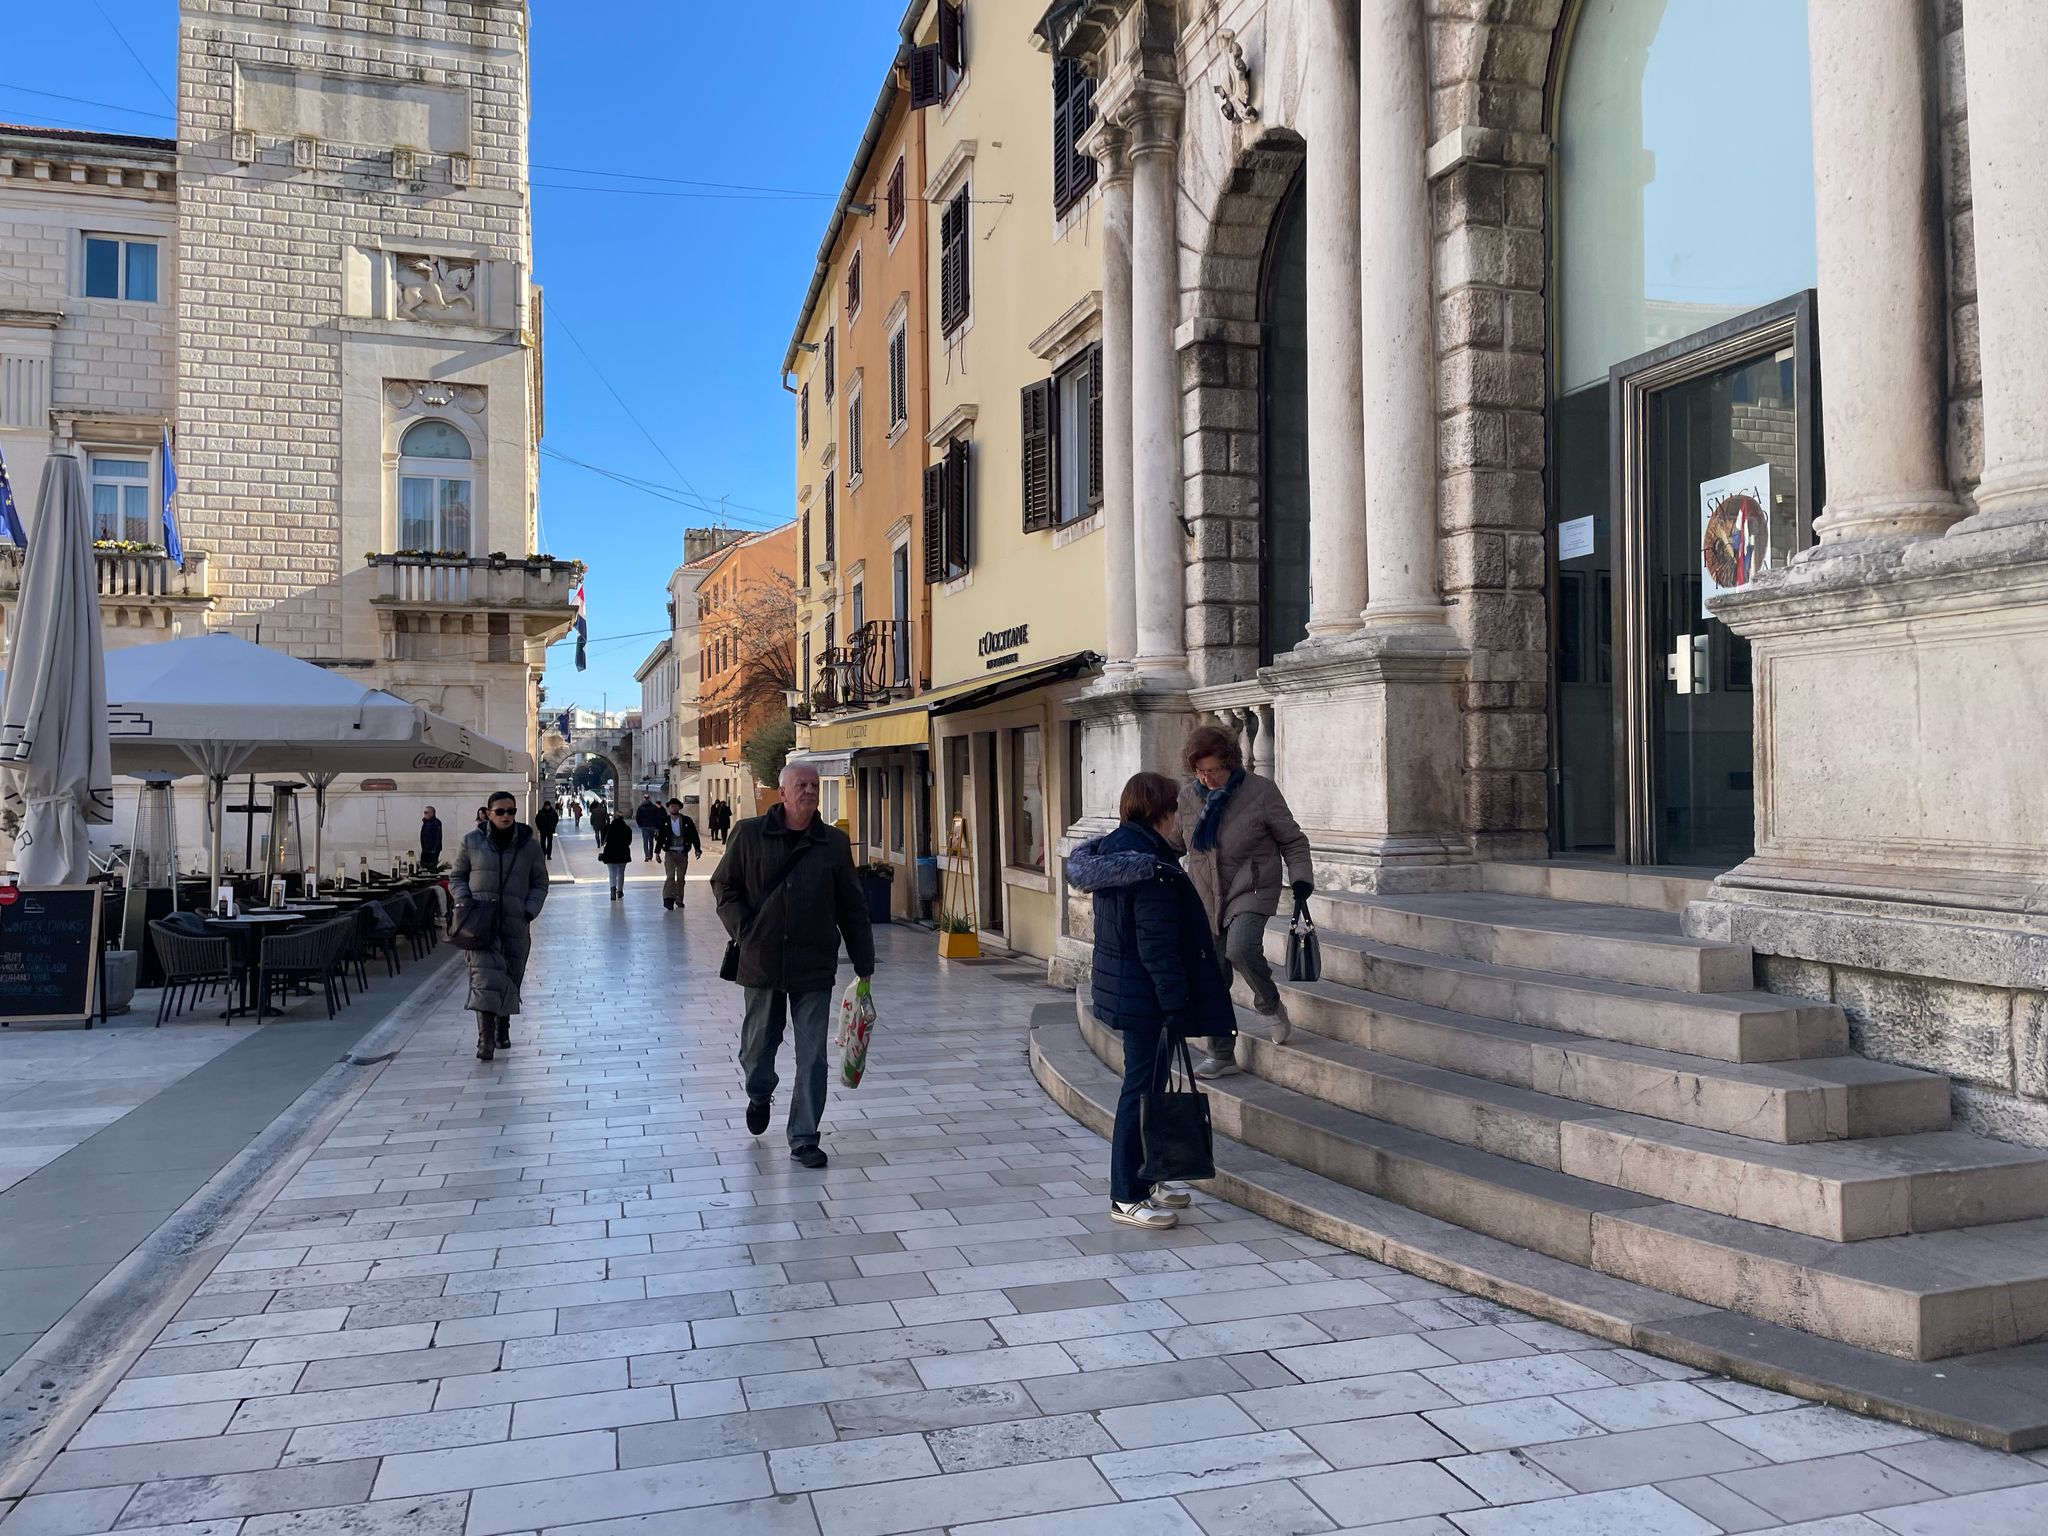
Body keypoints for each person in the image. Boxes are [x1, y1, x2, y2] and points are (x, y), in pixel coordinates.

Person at [1066, 771, 1235, 1230]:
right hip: (1147, 996)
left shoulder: (1119, 852)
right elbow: (1156, 945)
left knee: (1151, 1087)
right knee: (1140, 1090)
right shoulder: (1149, 867)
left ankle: (1149, 1174)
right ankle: (1126, 1195)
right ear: (1160, 812)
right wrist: (1175, 1003)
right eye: (1175, 808)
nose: (1179, 816)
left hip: (1129, 989)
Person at [712, 762, 874, 1169]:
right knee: (757, 1050)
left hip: (813, 964)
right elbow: (724, 884)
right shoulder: (749, 834)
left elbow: (852, 906)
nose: (809, 791)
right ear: (782, 793)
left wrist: (864, 961)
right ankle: (758, 1093)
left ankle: (804, 1137)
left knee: (813, 1056)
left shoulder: (833, 843)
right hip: (762, 961)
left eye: (814, 785)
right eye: (801, 785)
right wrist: (744, 928)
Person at [1173, 724, 1313, 1079]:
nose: (1206, 779)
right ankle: (1221, 1055)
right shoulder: (1188, 797)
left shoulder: (1260, 791)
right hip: (1206, 894)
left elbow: (1293, 841)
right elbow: (1173, 844)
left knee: (1241, 948)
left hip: (1252, 886)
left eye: (1213, 770)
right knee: (1213, 974)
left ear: (1231, 762)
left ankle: (1269, 1005)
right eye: (1199, 771)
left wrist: (1300, 879)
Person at [449, 789, 550, 1062]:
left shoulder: (529, 845)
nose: (506, 816)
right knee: (483, 979)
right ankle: (485, 1040)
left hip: (516, 922)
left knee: (510, 976)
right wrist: (464, 901)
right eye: (501, 811)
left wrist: (529, 909)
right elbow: (457, 877)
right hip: (480, 922)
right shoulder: (472, 841)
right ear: (488, 813)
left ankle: (502, 1028)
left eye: (511, 811)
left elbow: (540, 881)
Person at [658, 797, 703, 911]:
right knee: (670, 876)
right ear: (669, 808)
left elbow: (694, 835)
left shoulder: (687, 821)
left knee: (681, 878)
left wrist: (697, 849)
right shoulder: (665, 821)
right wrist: (657, 852)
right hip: (670, 852)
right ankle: (668, 899)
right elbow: (661, 837)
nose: (673, 808)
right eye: (672, 806)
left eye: (676, 806)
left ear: (679, 807)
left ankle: (679, 899)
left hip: (682, 853)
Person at [597, 804, 635, 899]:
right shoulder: (627, 828)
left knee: (612, 872)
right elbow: (629, 841)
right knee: (621, 872)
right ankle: (620, 891)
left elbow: (603, 840)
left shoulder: (608, 828)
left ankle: (612, 890)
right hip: (623, 853)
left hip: (610, 852)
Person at [634, 793, 664, 862]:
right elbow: (657, 817)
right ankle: (650, 855)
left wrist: (640, 824)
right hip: (652, 826)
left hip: (644, 826)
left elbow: (637, 817)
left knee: (645, 841)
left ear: (644, 798)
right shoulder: (654, 807)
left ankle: (646, 855)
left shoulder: (640, 807)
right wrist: (657, 826)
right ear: (649, 798)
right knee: (651, 841)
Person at [419, 806, 444, 871]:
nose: (424, 814)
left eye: (426, 812)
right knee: (423, 867)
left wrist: (435, 850)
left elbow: (438, 837)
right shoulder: (425, 823)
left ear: (431, 813)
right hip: (425, 850)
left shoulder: (436, 823)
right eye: (424, 812)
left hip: (432, 851)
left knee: (431, 868)